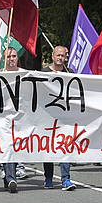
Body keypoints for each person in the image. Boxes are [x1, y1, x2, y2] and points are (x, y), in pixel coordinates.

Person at [41, 46, 76, 191]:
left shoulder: (70, 73)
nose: (60, 58)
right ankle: (48, 178)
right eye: (58, 55)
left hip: (65, 117)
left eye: (63, 56)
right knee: (48, 148)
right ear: (52, 56)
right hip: (47, 116)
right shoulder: (43, 72)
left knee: (65, 147)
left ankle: (65, 179)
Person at [1, 47, 22, 193]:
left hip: (21, 117)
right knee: (8, 146)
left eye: (14, 56)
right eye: (8, 57)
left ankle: (8, 177)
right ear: (4, 59)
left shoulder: (25, 74)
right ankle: (11, 178)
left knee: (15, 147)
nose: (11, 59)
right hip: (2, 118)